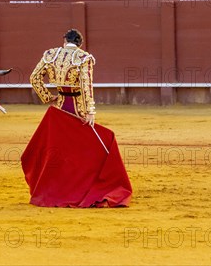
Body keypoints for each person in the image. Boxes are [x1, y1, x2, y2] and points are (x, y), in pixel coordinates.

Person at [22, 29, 133, 208]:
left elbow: (34, 78)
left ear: (64, 41)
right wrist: (90, 111)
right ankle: (83, 186)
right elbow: (86, 85)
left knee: (59, 151)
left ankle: (57, 188)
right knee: (88, 148)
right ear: (79, 43)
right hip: (77, 109)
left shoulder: (51, 54)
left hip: (58, 111)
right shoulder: (84, 58)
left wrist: (46, 96)